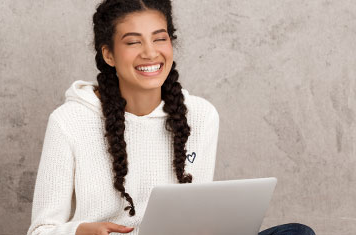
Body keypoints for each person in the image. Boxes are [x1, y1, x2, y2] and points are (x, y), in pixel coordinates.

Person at [27, 0, 316, 234]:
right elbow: (41, 231)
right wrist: (79, 231)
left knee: (297, 233)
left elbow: (197, 217)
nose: (150, 53)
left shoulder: (201, 116)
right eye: (133, 42)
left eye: (159, 39)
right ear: (109, 55)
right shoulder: (70, 121)